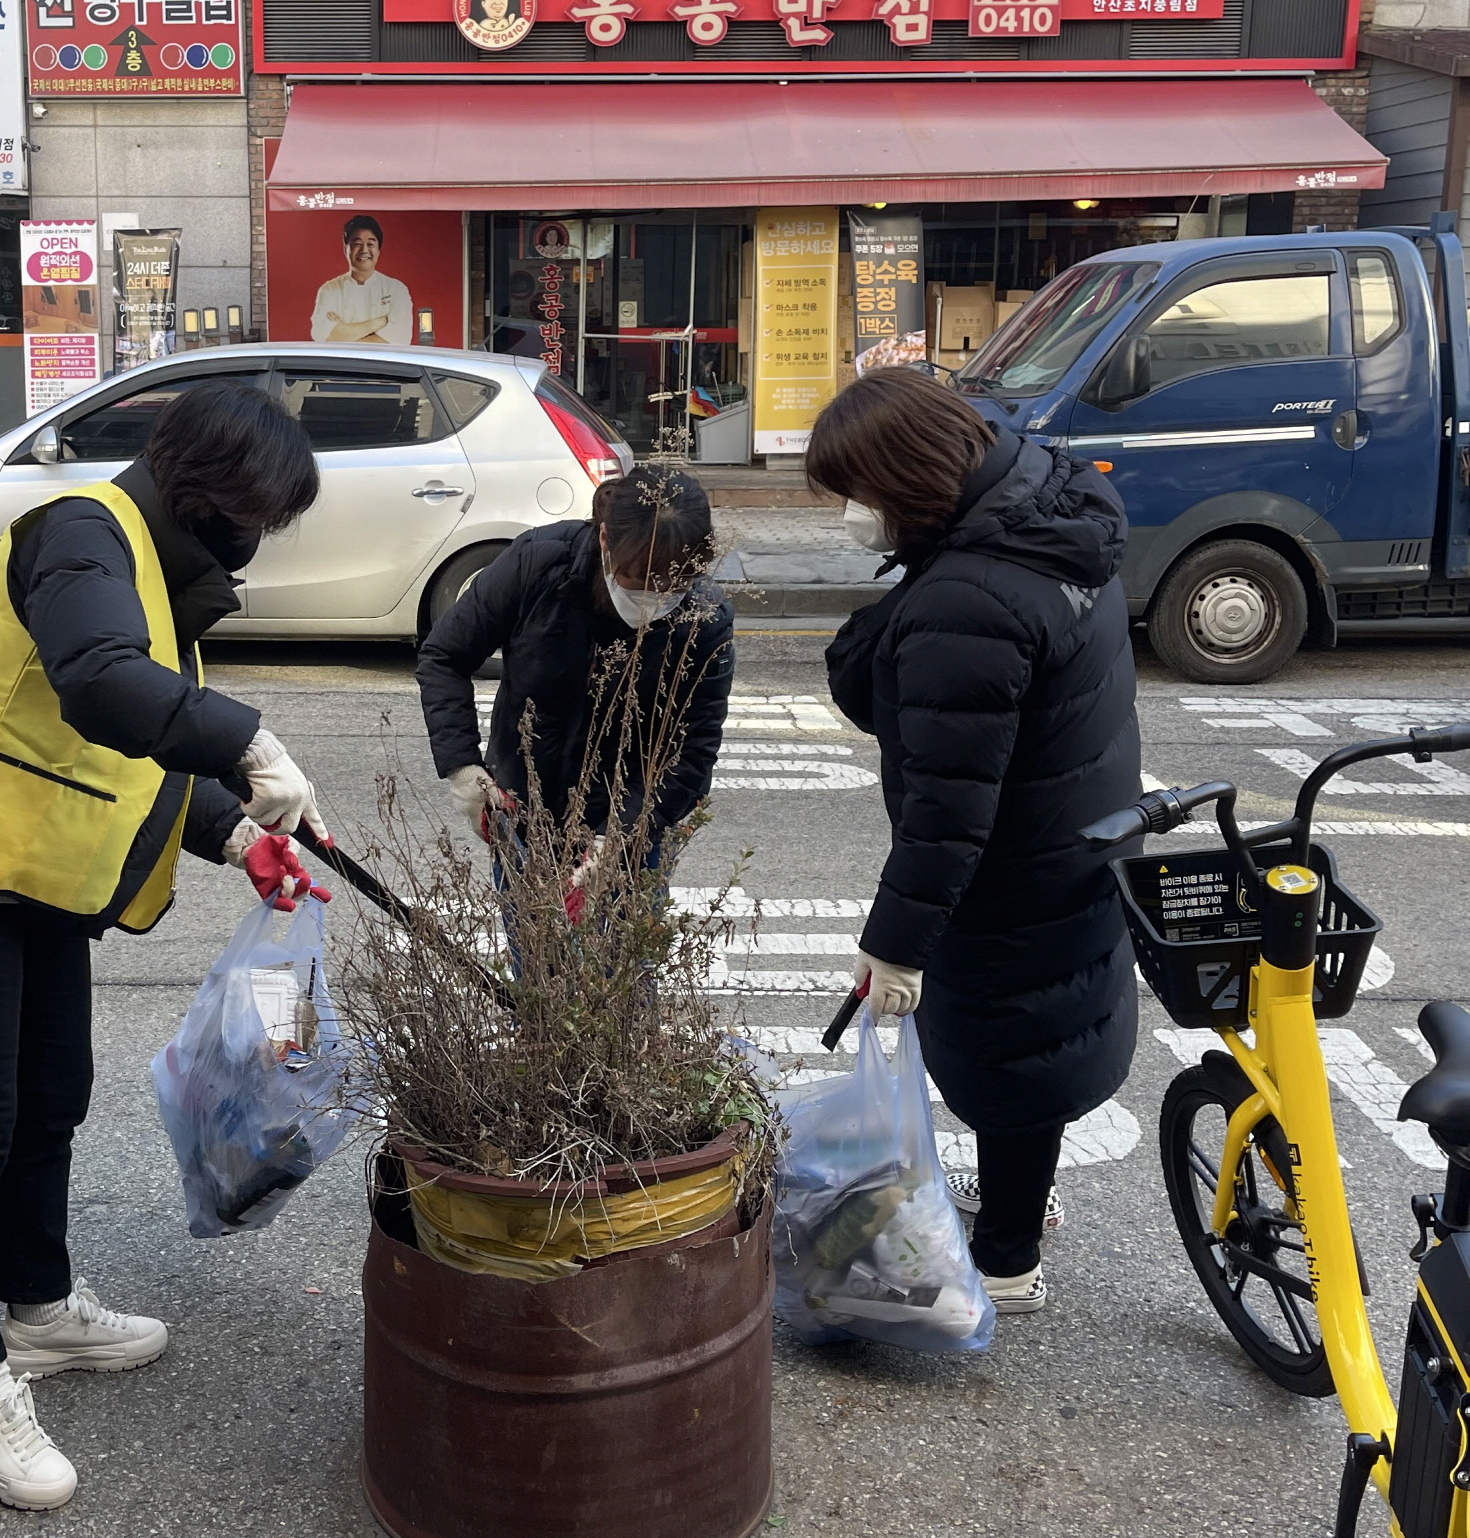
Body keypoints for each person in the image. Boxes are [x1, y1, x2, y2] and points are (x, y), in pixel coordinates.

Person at [0, 381, 333, 1511]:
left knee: (53, 1096)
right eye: (255, 515)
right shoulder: (82, 532)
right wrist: (250, 740)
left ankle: (34, 1309)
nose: (255, 539)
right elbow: (102, 686)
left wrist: (236, 834)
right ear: (207, 488)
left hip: (40, 875)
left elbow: (128, 757)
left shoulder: (147, 567)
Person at [805, 367, 1139, 1318]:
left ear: (905, 481)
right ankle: (1018, 1208)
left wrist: (895, 947)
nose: (851, 516)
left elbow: (947, 812)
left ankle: (1006, 1267)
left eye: (856, 494)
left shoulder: (971, 601)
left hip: (1011, 876)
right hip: (1076, 839)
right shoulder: (1048, 509)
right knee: (1037, 1048)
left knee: (1012, 1063)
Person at [415, 466, 733, 903]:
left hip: (634, 822)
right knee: (532, 942)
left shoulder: (703, 618)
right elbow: (445, 656)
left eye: (673, 585)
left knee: (625, 945)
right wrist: (463, 766)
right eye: (640, 580)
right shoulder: (539, 563)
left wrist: (622, 836)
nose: (656, 597)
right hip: (526, 812)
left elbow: (693, 746)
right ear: (604, 540)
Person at [309, 216, 413, 345]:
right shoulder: (330, 290)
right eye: (357, 244)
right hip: (342, 359)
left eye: (370, 244)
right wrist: (379, 322)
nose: (364, 250)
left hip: (382, 359)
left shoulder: (396, 289)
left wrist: (343, 335)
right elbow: (323, 336)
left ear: (378, 251)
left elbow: (400, 339)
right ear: (346, 249)